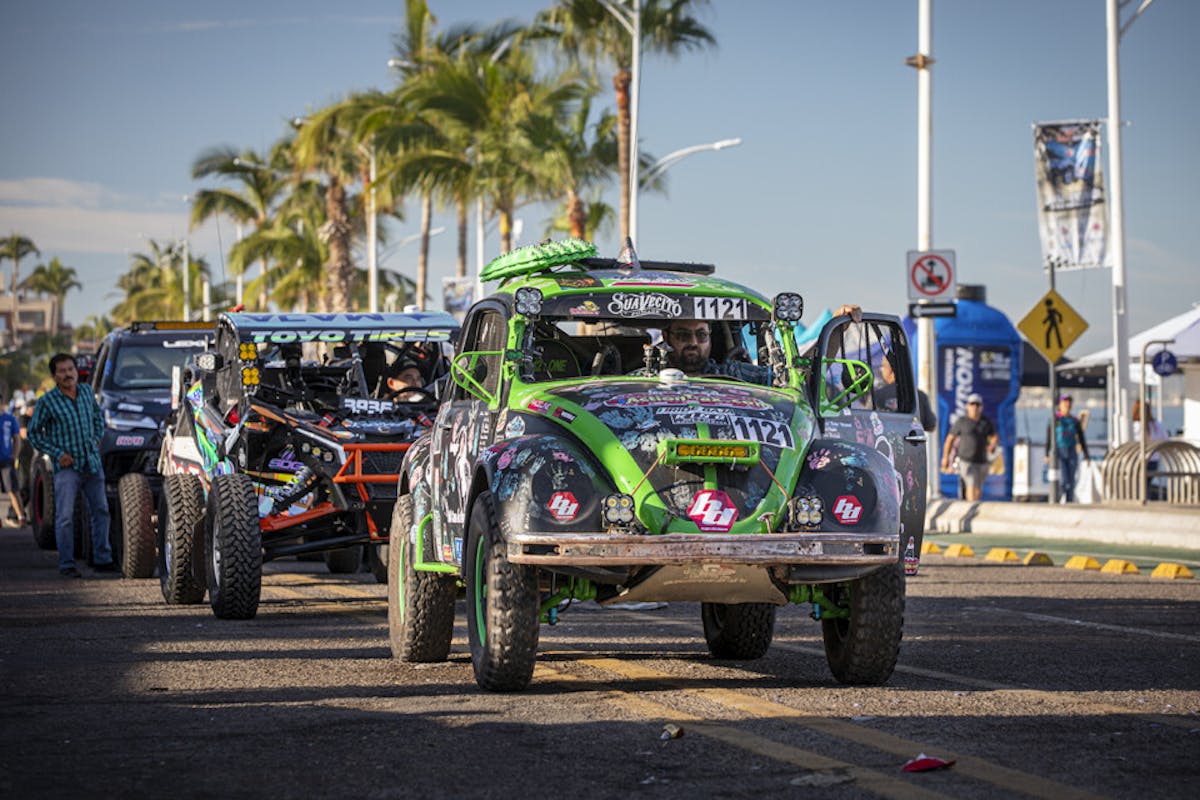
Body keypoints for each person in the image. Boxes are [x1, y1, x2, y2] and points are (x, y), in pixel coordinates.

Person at [27, 353, 114, 577]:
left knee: (101, 512)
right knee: (65, 516)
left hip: (92, 464)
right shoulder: (47, 401)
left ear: (77, 371)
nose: (68, 375)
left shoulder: (86, 392)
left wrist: (96, 438)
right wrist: (57, 454)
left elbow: (97, 418)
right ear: (54, 376)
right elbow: (34, 434)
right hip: (67, 468)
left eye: (71, 370)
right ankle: (67, 564)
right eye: (62, 371)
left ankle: (102, 559)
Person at [661, 304, 863, 382]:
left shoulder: (733, 373)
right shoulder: (643, 381)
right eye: (683, 335)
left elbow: (796, 379)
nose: (694, 342)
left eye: (701, 335)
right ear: (666, 336)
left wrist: (835, 332)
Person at [941, 393, 999, 502]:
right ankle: (970, 508)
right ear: (968, 406)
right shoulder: (962, 422)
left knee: (977, 489)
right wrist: (945, 457)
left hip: (982, 461)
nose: (975, 407)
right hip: (966, 461)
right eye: (972, 404)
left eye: (978, 405)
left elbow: (994, 436)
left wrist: (992, 445)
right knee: (970, 485)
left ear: (981, 407)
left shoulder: (985, 422)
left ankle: (973, 506)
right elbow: (949, 440)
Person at [1044, 393, 1089, 503]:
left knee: (1072, 479)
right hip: (1059, 451)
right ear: (1060, 404)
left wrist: (1087, 455)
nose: (1067, 404)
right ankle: (1060, 499)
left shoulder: (1074, 420)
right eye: (1064, 402)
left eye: (1069, 402)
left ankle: (1069, 501)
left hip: (1072, 451)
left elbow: (1081, 438)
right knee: (1064, 479)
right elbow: (1049, 437)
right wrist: (1047, 453)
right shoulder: (1055, 419)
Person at [875, 355, 937, 431]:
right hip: (912, 441)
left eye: (883, 367)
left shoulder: (877, 396)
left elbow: (866, 421)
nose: (881, 370)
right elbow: (931, 426)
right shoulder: (920, 396)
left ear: (890, 369)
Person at [0, 400, 27, 527]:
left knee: (13, 490)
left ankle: (21, 517)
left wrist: (14, 456)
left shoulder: (9, 419)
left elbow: (17, 438)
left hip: (6, 460)